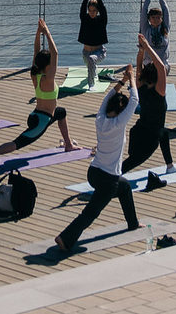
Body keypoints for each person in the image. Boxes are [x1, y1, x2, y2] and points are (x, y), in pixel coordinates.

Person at [54, 66, 139, 253]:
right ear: (121, 111)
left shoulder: (100, 119)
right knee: (91, 213)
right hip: (108, 179)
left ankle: (133, 223)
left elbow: (107, 98)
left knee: (125, 188)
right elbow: (135, 100)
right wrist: (132, 78)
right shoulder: (119, 124)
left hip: (94, 173)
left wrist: (122, 82)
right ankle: (65, 238)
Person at [0, 19, 76, 165]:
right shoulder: (48, 79)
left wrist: (38, 32)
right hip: (41, 122)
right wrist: (47, 32)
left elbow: (36, 51)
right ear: (47, 65)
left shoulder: (35, 75)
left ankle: (68, 145)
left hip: (36, 115)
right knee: (17, 143)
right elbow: (55, 54)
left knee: (61, 112)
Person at [121, 35, 174, 174]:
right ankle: (106, 181)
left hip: (138, 131)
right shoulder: (159, 91)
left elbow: (139, 66)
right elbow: (161, 67)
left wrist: (141, 51)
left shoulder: (140, 86)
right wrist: (147, 46)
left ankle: (170, 166)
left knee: (164, 132)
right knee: (125, 167)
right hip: (149, 139)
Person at [78, 0, 109, 87]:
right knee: (90, 62)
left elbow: (103, 9)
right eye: (90, 10)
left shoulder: (102, 20)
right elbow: (82, 7)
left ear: (97, 11)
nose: (92, 13)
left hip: (99, 52)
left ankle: (91, 85)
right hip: (85, 53)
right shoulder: (85, 19)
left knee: (92, 60)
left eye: (94, 11)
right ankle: (93, 72)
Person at [140, 0, 171, 71]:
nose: (155, 19)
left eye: (158, 17)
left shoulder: (165, 28)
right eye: (153, 17)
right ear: (149, 19)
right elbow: (144, 10)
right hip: (148, 63)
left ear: (161, 19)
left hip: (163, 64)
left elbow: (166, 10)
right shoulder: (146, 29)